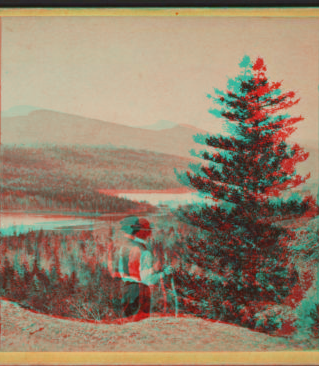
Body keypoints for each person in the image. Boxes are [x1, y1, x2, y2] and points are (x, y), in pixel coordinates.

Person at [108, 216, 172, 321]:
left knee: (125, 321)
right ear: (138, 231)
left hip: (120, 288)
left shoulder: (117, 246)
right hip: (135, 290)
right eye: (146, 230)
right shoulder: (139, 248)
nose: (149, 233)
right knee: (135, 322)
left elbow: (112, 271)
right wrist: (160, 272)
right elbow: (145, 278)